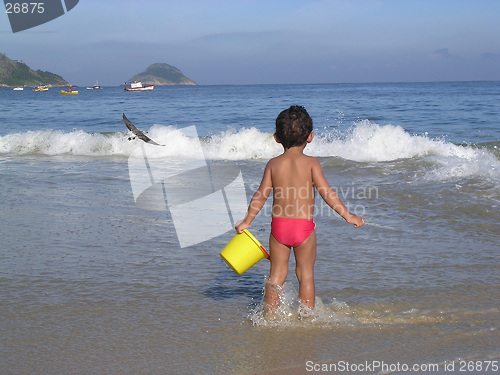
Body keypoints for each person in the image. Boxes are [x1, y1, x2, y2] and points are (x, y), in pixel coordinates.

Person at [235, 105, 364, 315]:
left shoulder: (273, 164)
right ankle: (307, 317)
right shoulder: (312, 163)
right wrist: (348, 215)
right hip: (303, 229)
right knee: (306, 275)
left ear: (276, 137)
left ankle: (270, 317)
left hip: (279, 228)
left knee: (276, 275)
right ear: (310, 136)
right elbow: (327, 193)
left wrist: (246, 222)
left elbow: (260, 195)